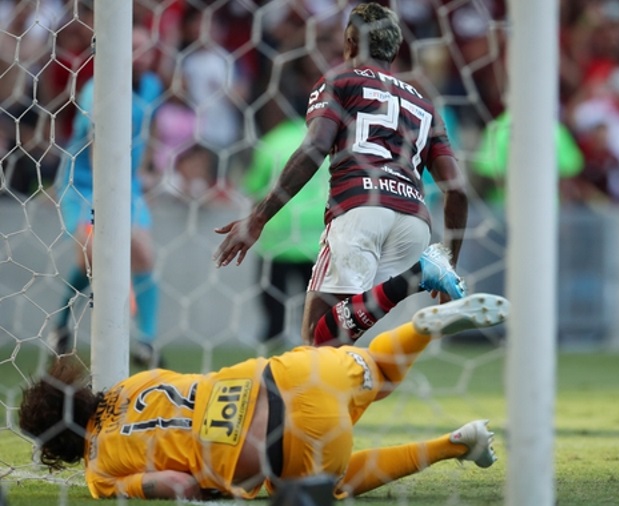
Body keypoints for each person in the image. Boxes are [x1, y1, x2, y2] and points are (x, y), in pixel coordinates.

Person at [19, 294, 509, 500]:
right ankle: (419, 328)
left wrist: (206, 488)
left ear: (56, 444)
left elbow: (176, 483)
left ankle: (455, 444)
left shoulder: (99, 472)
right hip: (293, 372)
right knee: (380, 373)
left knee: (327, 486)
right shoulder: (130, 385)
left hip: (285, 446)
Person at [214, 2, 469, 347]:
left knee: (316, 338)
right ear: (394, 51)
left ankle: (421, 272)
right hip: (414, 226)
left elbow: (315, 147)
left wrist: (259, 218)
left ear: (349, 43)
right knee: (338, 339)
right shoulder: (425, 105)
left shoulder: (340, 81)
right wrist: (450, 261)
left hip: (360, 212)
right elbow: (457, 189)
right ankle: (420, 273)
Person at [49, 25, 164, 368]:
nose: (141, 55)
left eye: (146, 49)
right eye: (133, 48)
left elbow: (147, 130)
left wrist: (146, 170)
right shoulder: (97, 90)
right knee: (92, 256)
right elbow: (96, 142)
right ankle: (61, 325)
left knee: (143, 253)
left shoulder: (152, 86)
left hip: (126, 184)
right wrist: (105, 199)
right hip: (87, 184)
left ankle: (146, 342)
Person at [244, 113, 329, 346]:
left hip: (278, 236)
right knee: (313, 311)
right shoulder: (327, 138)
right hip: (317, 237)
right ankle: (313, 345)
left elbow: (254, 187)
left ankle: (272, 342)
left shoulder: (272, 141)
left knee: (274, 304)